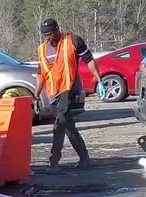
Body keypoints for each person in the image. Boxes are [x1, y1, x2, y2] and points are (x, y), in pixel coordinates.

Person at [36, 18, 104, 171]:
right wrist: (36, 94)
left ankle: (54, 162)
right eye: (45, 35)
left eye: (50, 34)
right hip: (52, 93)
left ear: (57, 30)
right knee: (68, 127)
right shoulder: (42, 49)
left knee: (59, 124)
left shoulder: (73, 41)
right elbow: (41, 73)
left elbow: (89, 60)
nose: (48, 38)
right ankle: (84, 158)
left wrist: (99, 81)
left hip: (68, 89)